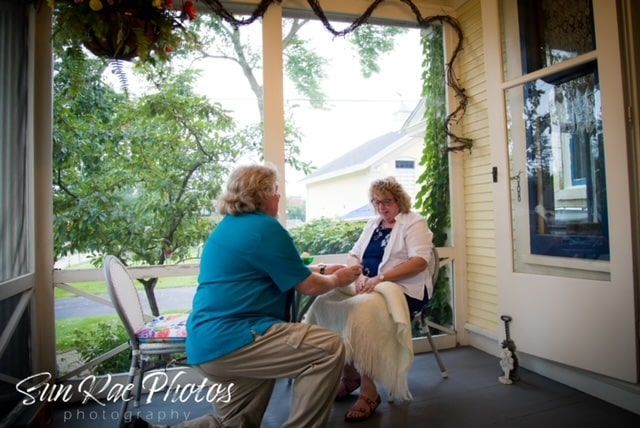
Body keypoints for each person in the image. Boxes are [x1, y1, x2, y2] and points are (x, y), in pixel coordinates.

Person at [161, 164, 361, 428]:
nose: (279, 196)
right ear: (264, 194)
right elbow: (309, 286)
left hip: (207, 343)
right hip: (236, 337)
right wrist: (337, 279)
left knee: (233, 423)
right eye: (276, 190)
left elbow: (280, 269)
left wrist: (322, 270)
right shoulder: (265, 228)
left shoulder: (230, 227)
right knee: (329, 349)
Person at [308, 176, 434, 423]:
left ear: (399, 200)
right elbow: (354, 254)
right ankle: (349, 373)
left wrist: (380, 278)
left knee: (362, 312)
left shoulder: (414, 222)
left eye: (386, 202)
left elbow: (420, 262)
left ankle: (368, 391)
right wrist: (357, 273)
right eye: (376, 202)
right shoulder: (373, 223)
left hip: (403, 289)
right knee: (325, 302)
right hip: (368, 285)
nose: (381, 208)